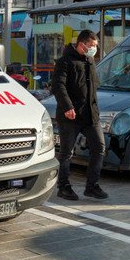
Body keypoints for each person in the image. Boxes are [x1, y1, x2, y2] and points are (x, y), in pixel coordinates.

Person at [50, 29, 108, 200]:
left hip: (90, 116)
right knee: (67, 153)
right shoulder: (65, 62)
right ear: (81, 44)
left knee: (99, 148)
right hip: (70, 116)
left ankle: (92, 186)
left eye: (95, 46)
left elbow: (93, 86)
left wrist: (95, 109)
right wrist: (68, 107)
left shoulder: (90, 61)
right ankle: (64, 187)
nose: (94, 50)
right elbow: (58, 86)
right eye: (91, 46)